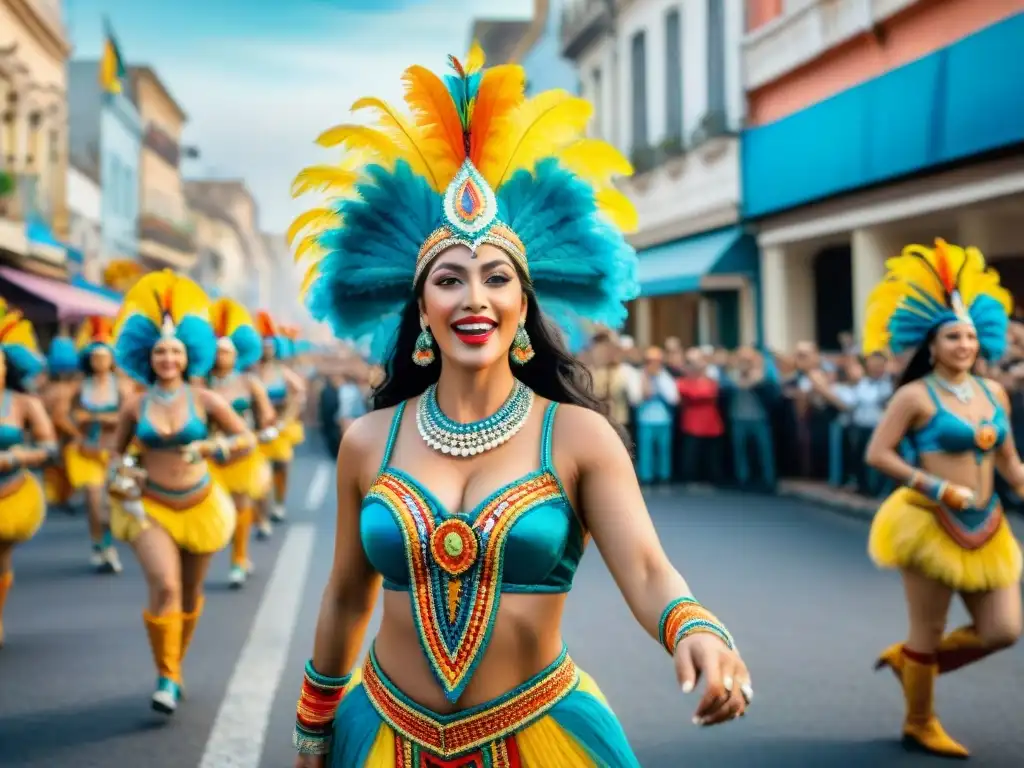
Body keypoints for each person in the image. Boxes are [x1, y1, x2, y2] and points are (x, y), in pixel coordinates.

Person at [287, 45, 752, 766]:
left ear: (523, 303)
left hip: (538, 736)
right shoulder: (367, 440)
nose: (474, 298)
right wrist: (314, 727)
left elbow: (650, 569)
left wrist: (695, 628)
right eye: (450, 279)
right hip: (382, 736)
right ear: (420, 308)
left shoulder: (577, 437)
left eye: (496, 277)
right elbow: (347, 597)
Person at [864, 239, 1023, 758]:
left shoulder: (994, 393)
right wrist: (936, 486)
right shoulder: (915, 396)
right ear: (931, 345)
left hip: (988, 524)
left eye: (971, 336)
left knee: (1003, 631)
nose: (964, 345)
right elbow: (878, 454)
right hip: (929, 522)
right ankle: (919, 720)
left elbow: (1007, 459)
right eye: (953, 336)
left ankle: (911, 662)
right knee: (927, 631)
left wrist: (1020, 479)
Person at [106, 271, 253, 715]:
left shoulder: (205, 400)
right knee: (165, 587)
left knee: (190, 596)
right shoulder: (134, 405)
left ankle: (175, 665)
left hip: (201, 503)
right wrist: (124, 471)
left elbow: (244, 438)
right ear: (147, 358)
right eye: (159, 351)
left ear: (187, 356)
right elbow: (114, 453)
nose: (167, 358)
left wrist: (212, 445)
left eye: (174, 351)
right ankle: (166, 676)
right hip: (150, 506)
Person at [203, 297, 279, 588]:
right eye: (218, 352)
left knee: (240, 506)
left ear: (237, 355)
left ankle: (238, 559)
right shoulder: (201, 385)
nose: (222, 358)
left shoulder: (249, 383)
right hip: (210, 455)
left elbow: (267, 416)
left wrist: (267, 429)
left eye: (227, 353)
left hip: (243, 453)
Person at [0, 301, 58, 646]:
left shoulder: (24, 404)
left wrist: (18, 457)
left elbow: (50, 448)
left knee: (0, 557)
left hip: (10, 492)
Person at [55, 316, 131, 573]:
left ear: (111, 359)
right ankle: (100, 545)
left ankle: (108, 544)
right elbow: (61, 415)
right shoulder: (80, 386)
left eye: (104, 357)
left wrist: (107, 418)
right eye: (95, 357)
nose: (100, 361)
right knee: (93, 500)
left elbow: (131, 414)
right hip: (87, 452)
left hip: (112, 451)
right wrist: (76, 432)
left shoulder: (121, 386)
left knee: (112, 503)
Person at [254, 312, 306, 526]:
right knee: (258, 471)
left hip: (279, 426)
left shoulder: (282, 371)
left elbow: (299, 393)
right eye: (263, 346)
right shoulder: (251, 372)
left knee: (282, 463)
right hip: (256, 427)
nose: (267, 349)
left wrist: (286, 418)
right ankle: (261, 513)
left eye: (270, 346)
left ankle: (279, 503)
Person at [40, 331, 80, 512]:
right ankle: (60, 500)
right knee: (60, 469)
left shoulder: (45, 386)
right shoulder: (65, 390)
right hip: (58, 438)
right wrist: (78, 434)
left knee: (52, 470)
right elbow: (59, 418)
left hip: (43, 436)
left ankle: (56, 499)